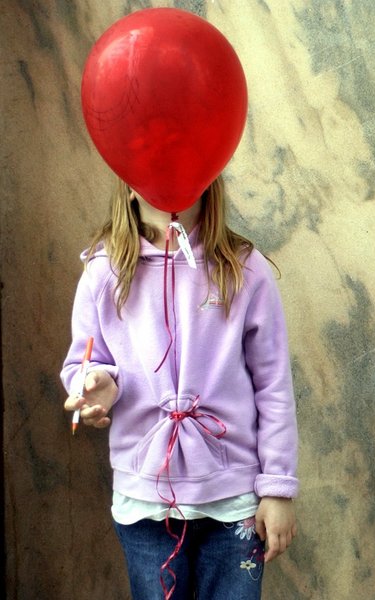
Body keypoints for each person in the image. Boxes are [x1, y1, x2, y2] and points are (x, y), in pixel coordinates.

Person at [61, 177, 299, 600]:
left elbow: (273, 385)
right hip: (145, 505)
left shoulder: (246, 269)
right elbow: (85, 362)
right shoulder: (102, 271)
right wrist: (93, 386)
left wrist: (277, 488)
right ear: (128, 185)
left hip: (235, 504)